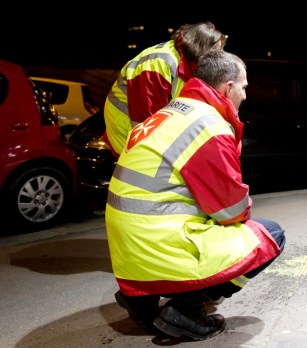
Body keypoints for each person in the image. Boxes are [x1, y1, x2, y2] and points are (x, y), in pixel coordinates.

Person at [106, 50, 286, 341]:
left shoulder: (169, 112)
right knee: (271, 235)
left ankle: (140, 301)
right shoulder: (208, 125)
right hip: (160, 245)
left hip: (128, 253)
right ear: (228, 88)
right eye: (244, 87)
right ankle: (185, 311)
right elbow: (231, 211)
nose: (245, 95)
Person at [103, 21, 227, 158]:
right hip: (127, 133)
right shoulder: (158, 64)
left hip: (141, 134)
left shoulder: (187, 64)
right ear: (200, 48)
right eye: (215, 53)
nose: (218, 59)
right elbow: (148, 123)